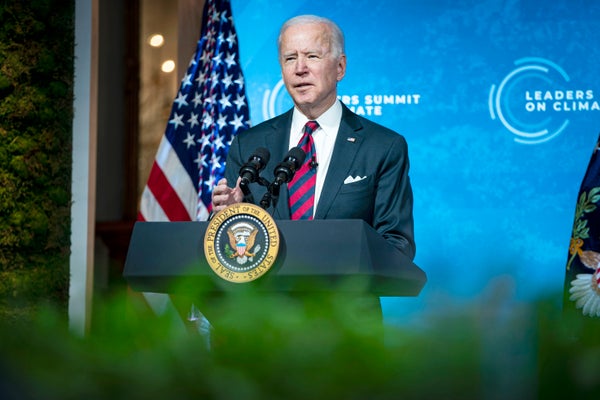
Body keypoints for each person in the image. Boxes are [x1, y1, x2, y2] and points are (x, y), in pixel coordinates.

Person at [212, 14, 416, 262]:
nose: (300, 69)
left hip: (345, 298)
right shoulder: (249, 145)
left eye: (312, 56)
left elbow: (396, 244)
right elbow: (229, 251)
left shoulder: (383, 146)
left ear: (340, 67)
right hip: (267, 300)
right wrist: (232, 217)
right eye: (290, 58)